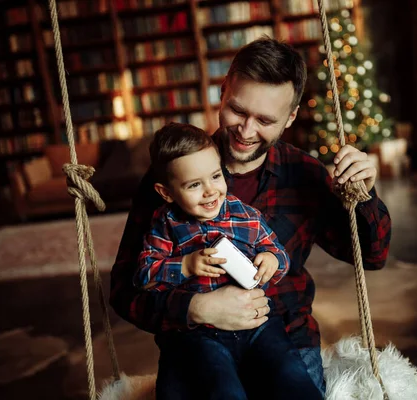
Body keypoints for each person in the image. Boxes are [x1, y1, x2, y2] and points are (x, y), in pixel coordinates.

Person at [110, 37, 392, 398]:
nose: (245, 130)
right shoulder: (170, 175)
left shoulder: (304, 174)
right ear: (223, 90)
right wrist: (195, 308)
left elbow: (374, 255)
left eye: (265, 120)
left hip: (285, 336)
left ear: (290, 118)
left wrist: (363, 194)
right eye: (238, 111)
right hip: (193, 340)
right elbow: (124, 289)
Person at [135, 122, 322, 399]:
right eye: (194, 185)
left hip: (257, 325)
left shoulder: (244, 214)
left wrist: (272, 259)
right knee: (221, 388)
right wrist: (185, 265)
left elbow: (278, 252)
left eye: (215, 176)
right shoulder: (166, 223)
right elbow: (144, 275)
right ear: (166, 192)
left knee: (291, 375)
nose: (210, 191)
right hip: (201, 334)